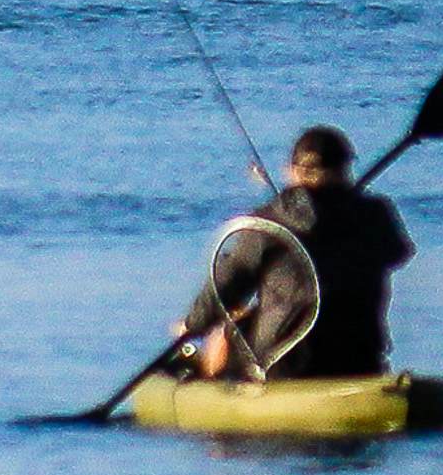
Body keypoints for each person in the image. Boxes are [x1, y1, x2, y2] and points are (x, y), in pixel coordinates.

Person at [169, 124, 414, 381]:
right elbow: (399, 252)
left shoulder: (266, 221)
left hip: (281, 362)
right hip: (360, 359)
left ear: (291, 171)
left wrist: (191, 326)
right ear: (345, 170)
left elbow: (227, 286)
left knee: (223, 328)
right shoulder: (376, 214)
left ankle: (214, 388)